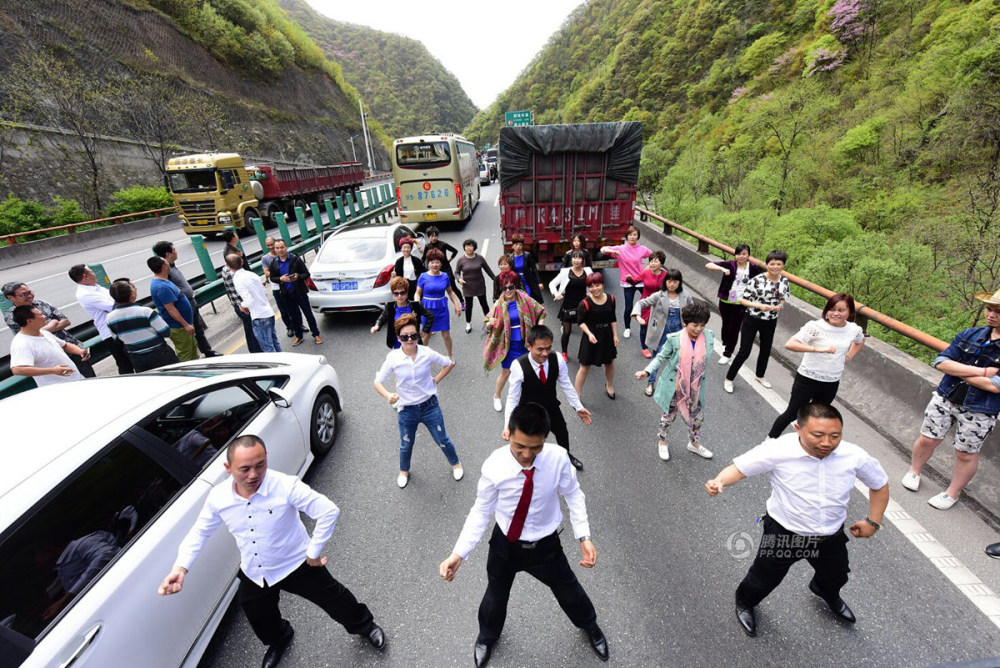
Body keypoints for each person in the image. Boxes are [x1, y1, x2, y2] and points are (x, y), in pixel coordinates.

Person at [159, 436, 386, 667]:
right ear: (228, 468)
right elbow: (199, 532)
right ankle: (280, 638)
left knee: (334, 598)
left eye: (260, 465)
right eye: (244, 469)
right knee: (258, 615)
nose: (254, 475)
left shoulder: (285, 486)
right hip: (255, 571)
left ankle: (365, 626)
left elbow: (328, 511)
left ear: (266, 459)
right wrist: (181, 567)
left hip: (297, 563)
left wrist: (313, 552)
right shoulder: (218, 498)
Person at [438, 403, 608, 668]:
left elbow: (573, 494)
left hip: (546, 546)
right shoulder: (494, 465)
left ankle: (590, 625)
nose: (527, 455)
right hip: (506, 545)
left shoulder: (558, 458)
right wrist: (458, 553)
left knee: (570, 592)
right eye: (520, 446)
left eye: (535, 447)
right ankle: (487, 636)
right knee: (495, 597)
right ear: (509, 433)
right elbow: (481, 511)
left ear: (545, 440)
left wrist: (583, 536)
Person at [705, 403, 889, 636]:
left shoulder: (854, 455)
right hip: (785, 533)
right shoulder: (777, 450)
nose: (827, 443)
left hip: (830, 535)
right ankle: (745, 601)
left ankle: (824, 591)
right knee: (763, 578)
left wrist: (873, 522)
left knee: (838, 574)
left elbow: (879, 484)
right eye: (818, 435)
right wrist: (719, 481)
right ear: (798, 429)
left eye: (835, 436)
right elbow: (739, 469)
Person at [900, 288, 1000, 510]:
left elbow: (995, 387)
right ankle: (914, 471)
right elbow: (941, 362)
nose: (991, 315)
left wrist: (958, 370)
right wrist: (983, 372)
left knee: (966, 452)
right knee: (927, 438)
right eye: (989, 309)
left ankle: (952, 493)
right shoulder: (970, 335)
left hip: (980, 408)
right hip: (947, 396)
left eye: (998, 311)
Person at [373, 313, 464, 488]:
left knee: (442, 439)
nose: (409, 340)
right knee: (406, 444)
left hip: (430, 405)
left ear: (418, 335)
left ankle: (456, 463)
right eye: (404, 337)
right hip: (407, 409)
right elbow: (377, 382)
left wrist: (435, 380)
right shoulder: (393, 358)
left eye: (413, 336)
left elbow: (448, 363)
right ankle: (404, 470)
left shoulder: (426, 352)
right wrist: (388, 395)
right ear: (398, 338)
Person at [768, 293, 865, 439]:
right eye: (832, 309)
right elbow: (790, 344)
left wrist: (849, 356)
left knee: (817, 418)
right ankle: (769, 441)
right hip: (808, 378)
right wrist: (818, 349)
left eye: (841, 310)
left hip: (831, 381)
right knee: (792, 413)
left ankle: (805, 446)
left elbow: (860, 341)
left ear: (850, 312)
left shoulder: (853, 329)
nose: (835, 313)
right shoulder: (815, 327)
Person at [503, 325, 591, 471]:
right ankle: (531, 467)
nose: (545, 353)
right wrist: (507, 424)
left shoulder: (557, 359)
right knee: (531, 443)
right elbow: (512, 398)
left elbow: (566, 385)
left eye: (548, 348)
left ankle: (566, 457)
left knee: (562, 433)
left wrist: (578, 407)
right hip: (529, 414)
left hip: (551, 407)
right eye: (540, 349)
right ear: (529, 346)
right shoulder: (518, 366)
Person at [635, 300, 714, 460]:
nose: (698, 329)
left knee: (697, 418)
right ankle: (662, 442)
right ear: (685, 322)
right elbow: (661, 357)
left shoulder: (708, 336)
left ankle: (694, 443)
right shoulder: (674, 338)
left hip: (695, 387)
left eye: (702, 325)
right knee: (669, 416)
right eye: (695, 325)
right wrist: (647, 371)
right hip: (676, 386)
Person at [724, 250, 790, 393]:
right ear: (767, 264)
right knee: (744, 351)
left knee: (766, 350)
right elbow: (742, 299)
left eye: (779, 264)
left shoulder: (784, 280)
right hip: (752, 318)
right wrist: (759, 306)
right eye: (772, 264)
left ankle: (760, 376)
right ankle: (729, 378)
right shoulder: (757, 280)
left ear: (783, 265)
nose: (775, 267)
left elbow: (784, 296)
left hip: (771, 320)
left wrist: (781, 305)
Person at [4, 281, 96, 377]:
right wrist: (53, 322)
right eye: (24, 294)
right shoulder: (13, 317)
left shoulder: (41, 304)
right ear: (10, 297)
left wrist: (45, 328)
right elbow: (32, 333)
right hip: (52, 360)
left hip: (72, 350)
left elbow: (66, 321)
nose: (30, 296)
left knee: (89, 378)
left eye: (30, 292)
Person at [485, 270, 547, 413]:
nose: (508, 291)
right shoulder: (499, 303)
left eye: (511, 287)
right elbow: (488, 322)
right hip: (508, 344)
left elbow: (541, 311)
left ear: (516, 286)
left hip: (526, 343)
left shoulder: (524, 298)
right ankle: (497, 396)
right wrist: (491, 322)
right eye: (504, 287)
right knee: (506, 372)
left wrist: (540, 326)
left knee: (527, 372)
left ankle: (525, 400)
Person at [152, 240, 221, 357]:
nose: (176, 252)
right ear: (168, 254)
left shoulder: (172, 266)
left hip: (190, 302)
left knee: (198, 329)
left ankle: (206, 351)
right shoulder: (165, 272)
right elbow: (170, 303)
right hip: (183, 307)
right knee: (189, 335)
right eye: (174, 250)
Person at [632, 268, 693, 397]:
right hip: (661, 330)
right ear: (665, 282)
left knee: (680, 359)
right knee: (657, 357)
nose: (672, 284)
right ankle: (650, 382)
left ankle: (677, 387)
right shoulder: (659, 295)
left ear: (680, 282)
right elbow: (641, 302)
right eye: (669, 281)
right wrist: (637, 315)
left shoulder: (686, 296)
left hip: (680, 330)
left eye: (675, 281)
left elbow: (693, 311)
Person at [69, 264, 133, 374]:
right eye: (91, 272)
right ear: (86, 276)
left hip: (119, 327)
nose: (94, 274)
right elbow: (113, 306)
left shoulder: (97, 288)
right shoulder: (85, 294)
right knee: (125, 364)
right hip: (110, 333)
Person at [705, 244, 764, 365]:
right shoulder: (730, 264)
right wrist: (722, 269)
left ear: (748, 255)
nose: (741, 256)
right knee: (726, 324)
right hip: (726, 300)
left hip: (742, 302)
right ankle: (725, 343)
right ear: (735, 254)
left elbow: (761, 280)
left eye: (744, 254)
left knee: (735, 328)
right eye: (738, 254)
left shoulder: (752, 268)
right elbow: (708, 264)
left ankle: (728, 353)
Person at [106, 279, 179, 372]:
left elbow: (117, 339)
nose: (135, 289)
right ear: (131, 294)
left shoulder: (110, 318)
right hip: (160, 355)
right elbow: (166, 332)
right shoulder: (146, 312)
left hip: (137, 359)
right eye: (133, 288)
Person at [9, 305, 87, 386]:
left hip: (77, 379)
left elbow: (65, 345)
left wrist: (80, 351)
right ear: (30, 321)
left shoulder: (44, 332)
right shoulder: (21, 344)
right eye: (41, 315)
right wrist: (53, 370)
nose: (45, 316)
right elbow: (17, 369)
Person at [600, 225, 652, 340]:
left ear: (638, 236)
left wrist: (648, 268)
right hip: (627, 282)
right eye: (630, 235)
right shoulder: (621, 249)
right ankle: (627, 328)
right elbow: (602, 250)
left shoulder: (642, 249)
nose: (632, 237)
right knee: (628, 307)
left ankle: (649, 326)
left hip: (641, 281)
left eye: (635, 235)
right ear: (626, 236)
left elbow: (653, 256)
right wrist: (611, 251)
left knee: (649, 303)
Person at [269, 239, 322, 346]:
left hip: (300, 292)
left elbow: (306, 274)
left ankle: (316, 334)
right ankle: (299, 336)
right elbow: (272, 278)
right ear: (275, 250)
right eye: (277, 248)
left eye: (282, 247)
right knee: (294, 316)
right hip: (286, 294)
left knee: (308, 314)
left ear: (286, 247)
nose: (280, 250)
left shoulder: (295, 259)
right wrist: (280, 279)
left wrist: (298, 276)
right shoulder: (274, 263)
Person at [575, 273, 619, 401]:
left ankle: (609, 385)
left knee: (610, 363)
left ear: (603, 284)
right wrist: (589, 334)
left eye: (597, 285)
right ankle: (576, 394)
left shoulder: (611, 299)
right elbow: (580, 322)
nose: (595, 289)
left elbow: (613, 318)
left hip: (607, 335)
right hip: (591, 335)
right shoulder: (584, 303)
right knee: (584, 367)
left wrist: (615, 335)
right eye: (591, 286)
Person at [148, 256, 199, 362]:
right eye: (167, 263)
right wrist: (186, 325)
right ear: (164, 267)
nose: (169, 264)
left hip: (184, 325)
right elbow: (171, 309)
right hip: (180, 327)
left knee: (192, 348)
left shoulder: (164, 281)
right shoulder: (162, 287)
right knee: (186, 354)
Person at [415, 249, 463, 359]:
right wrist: (417, 304)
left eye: (437, 262)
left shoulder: (445, 276)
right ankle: (421, 357)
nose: (435, 265)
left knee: (446, 334)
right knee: (426, 334)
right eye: (432, 262)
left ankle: (450, 355)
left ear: (441, 263)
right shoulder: (423, 276)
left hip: (442, 308)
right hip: (427, 309)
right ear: (428, 263)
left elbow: (450, 292)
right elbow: (417, 293)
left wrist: (456, 304)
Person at [229, 254, 281, 353]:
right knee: (275, 343)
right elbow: (264, 292)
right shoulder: (252, 274)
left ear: (228, 266)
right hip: (268, 312)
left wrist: (242, 306)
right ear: (242, 262)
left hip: (259, 316)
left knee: (268, 349)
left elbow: (249, 300)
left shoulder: (238, 279)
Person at [549, 251, 593, 362]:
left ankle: (587, 352)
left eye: (579, 258)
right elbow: (552, 284)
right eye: (574, 258)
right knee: (567, 331)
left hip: (583, 305)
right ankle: (564, 352)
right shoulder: (565, 272)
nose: (576, 260)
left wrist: (591, 294)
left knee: (587, 331)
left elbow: (593, 285)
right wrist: (556, 294)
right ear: (571, 259)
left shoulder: (587, 271)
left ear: (583, 260)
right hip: (568, 305)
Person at [370, 277, 433, 349]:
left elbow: (430, 316)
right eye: (396, 293)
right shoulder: (390, 306)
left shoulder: (416, 305)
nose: (399, 296)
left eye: (402, 293)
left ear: (407, 293)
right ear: (392, 295)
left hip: (414, 341)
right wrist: (377, 326)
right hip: (398, 343)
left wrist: (425, 331)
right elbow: (382, 318)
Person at [221, 252, 263, 354]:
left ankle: (254, 351)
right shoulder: (235, 275)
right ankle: (258, 352)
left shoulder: (224, 270)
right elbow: (242, 293)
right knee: (253, 330)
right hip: (243, 306)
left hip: (236, 304)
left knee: (249, 330)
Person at [456, 238, 496, 333]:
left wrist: (496, 279)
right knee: (469, 306)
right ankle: (468, 324)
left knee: (484, 305)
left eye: (470, 246)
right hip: (467, 287)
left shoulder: (480, 258)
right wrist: (459, 279)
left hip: (479, 285)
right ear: (464, 248)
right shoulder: (461, 260)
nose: (469, 248)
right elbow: (456, 272)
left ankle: (488, 323)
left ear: (474, 247)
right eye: (467, 246)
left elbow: (488, 270)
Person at [634, 250, 668, 357]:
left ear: (661, 264)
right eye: (651, 261)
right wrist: (629, 279)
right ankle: (644, 347)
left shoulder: (666, 275)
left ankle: (655, 344)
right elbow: (635, 281)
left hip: (659, 305)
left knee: (655, 326)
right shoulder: (646, 272)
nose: (652, 264)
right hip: (646, 304)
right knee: (643, 326)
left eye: (655, 261)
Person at [262, 236, 295, 338]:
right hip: (277, 287)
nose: (271, 247)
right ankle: (289, 327)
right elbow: (266, 273)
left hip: (290, 285)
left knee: (294, 307)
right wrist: (278, 274)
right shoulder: (266, 258)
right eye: (268, 245)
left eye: (272, 244)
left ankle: (298, 324)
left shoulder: (287, 255)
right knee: (283, 309)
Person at [424, 226, 463, 307]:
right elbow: (423, 258)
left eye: (435, 236)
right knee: (436, 288)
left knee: (453, 287)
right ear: (429, 237)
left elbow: (455, 251)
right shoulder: (427, 246)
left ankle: (462, 302)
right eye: (432, 236)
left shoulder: (443, 244)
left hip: (446, 268)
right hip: (435, 271)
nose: (434, 238)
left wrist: (449, 260)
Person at [509, 233, 544, 303]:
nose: (518, 247)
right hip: (517, 282)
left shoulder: (527, 255)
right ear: (513, 246)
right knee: (519, 301)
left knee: (528, 299)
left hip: (527, 281)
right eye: (516, 245)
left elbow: (534, 269)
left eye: (520, 245)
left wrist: (539, 282)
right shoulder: (510, 257)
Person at [392, 237, 426, 301]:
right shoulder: (399, 261)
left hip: (415, 285)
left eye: (408, 247)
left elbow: (423, 272)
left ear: (411, 249)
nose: (406, 249)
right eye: (404, 247)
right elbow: (397, 276)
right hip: (404, 286)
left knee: (416, 303)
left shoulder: (416, 260)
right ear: (401, 249)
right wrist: (394, 275)